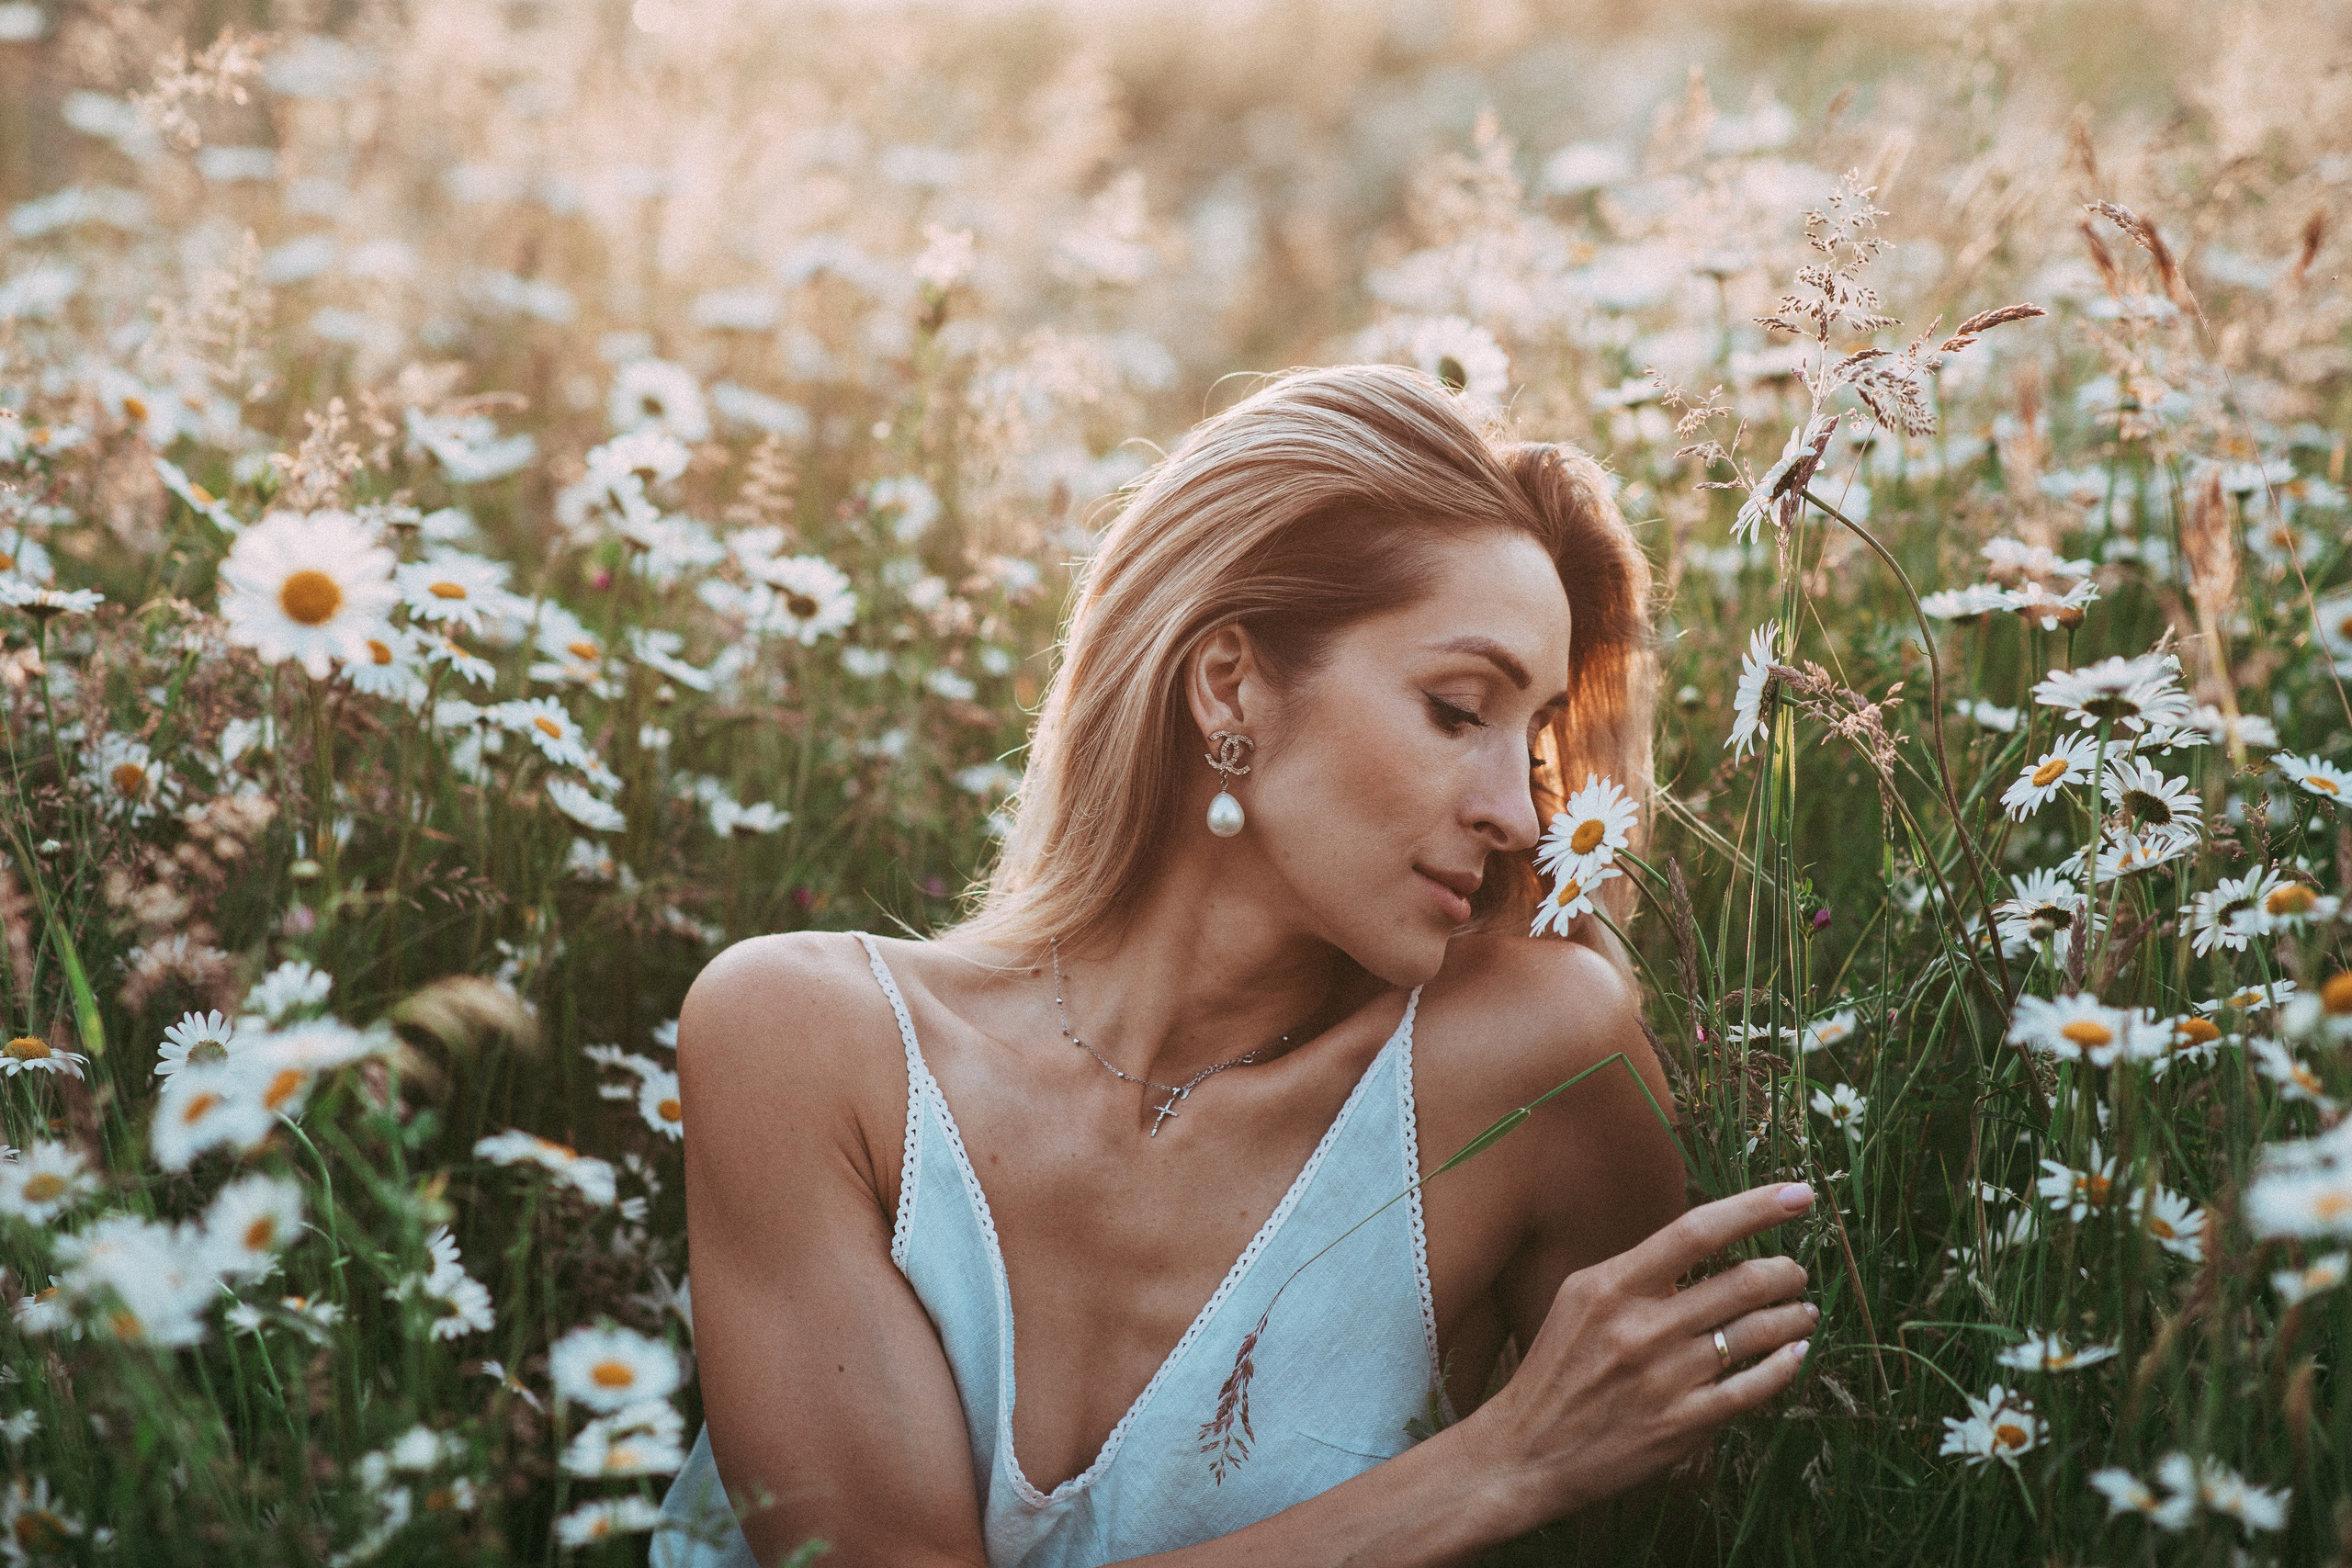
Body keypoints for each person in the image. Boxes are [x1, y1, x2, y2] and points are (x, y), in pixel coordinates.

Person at [653, 364, 1816, 1568]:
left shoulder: (1538, 1062)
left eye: (1531, 742)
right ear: (1230, 685)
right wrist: (1497, 1466)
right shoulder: (807, 1045)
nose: (1517, 815)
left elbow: (1678, 1531)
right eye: (1459, 709)